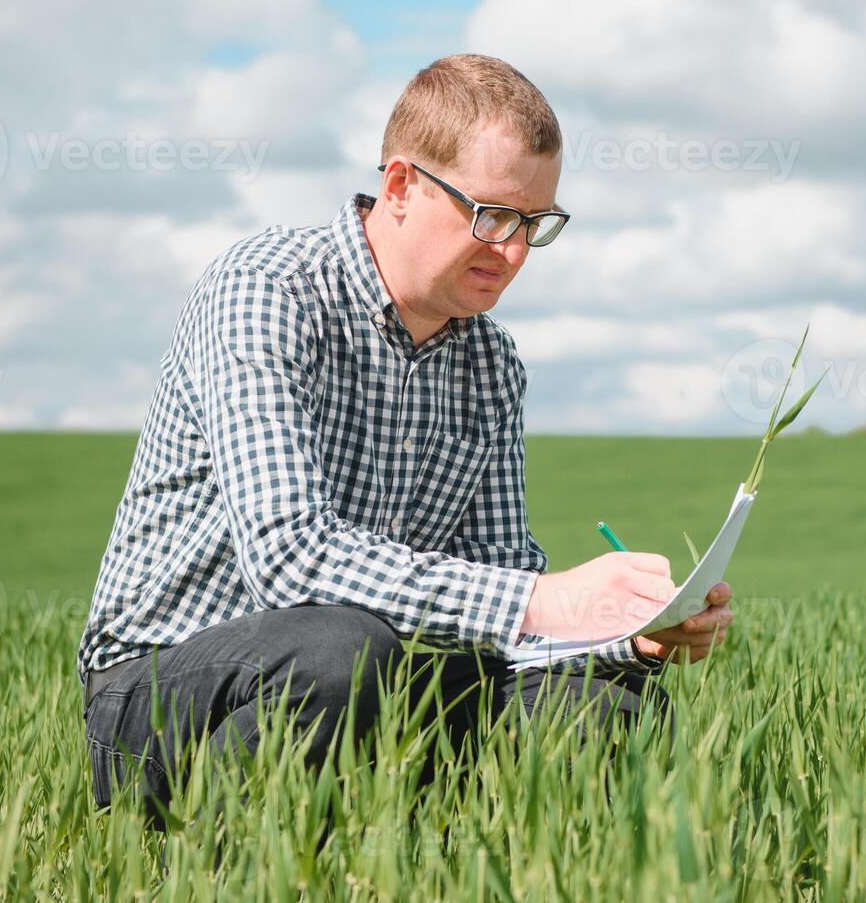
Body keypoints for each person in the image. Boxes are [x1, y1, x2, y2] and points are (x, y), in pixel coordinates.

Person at [76, 53, 736, 820]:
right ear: (399, 187)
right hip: (162, 697)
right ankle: (212, 868)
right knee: (338, 653)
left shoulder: (489, 364)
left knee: (596, 704)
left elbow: (498, 606)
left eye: (535, 225)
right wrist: (542, 598)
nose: (514, 252)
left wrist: (625, 630)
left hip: (372, 680)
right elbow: (291, 561)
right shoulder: (266, 290)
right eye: (491, 215)